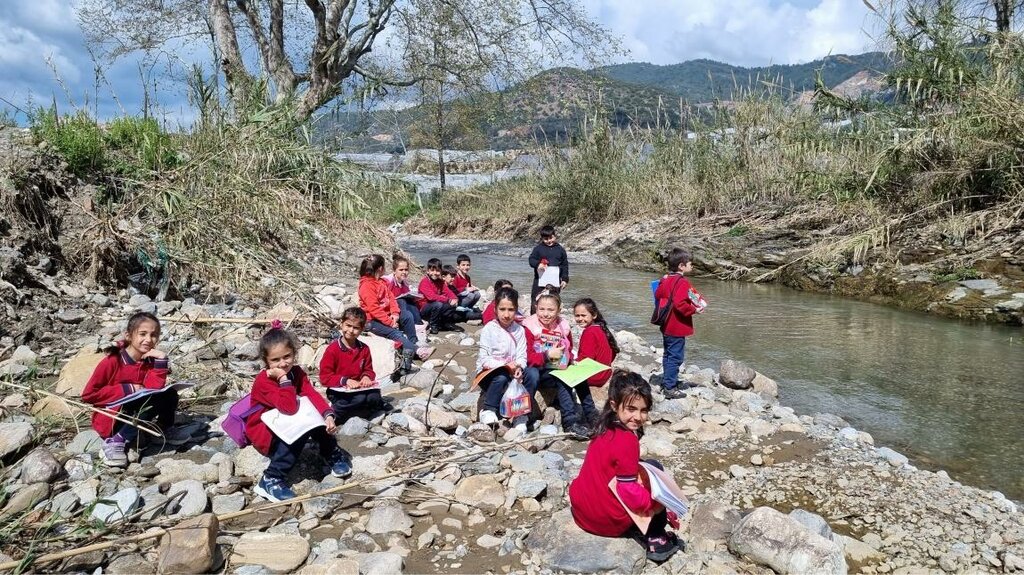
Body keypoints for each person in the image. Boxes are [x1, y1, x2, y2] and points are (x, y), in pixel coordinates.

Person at [568, 371, 683, 562]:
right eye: (631, 409)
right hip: (606, 522)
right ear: (615, 405)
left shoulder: (603, 427)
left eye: (643, 410)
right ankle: (656, 538)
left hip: (582, 513)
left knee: (645, 466)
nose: (638, 417)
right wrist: (656, 505)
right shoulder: (628, 440)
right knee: (656, 475)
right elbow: (627, 490)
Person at [246, 322, 351, 502]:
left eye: (287, 356)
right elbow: (288, 406)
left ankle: (330, 451)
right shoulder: (264, 381)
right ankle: (271, 478)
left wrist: (327, 415)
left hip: (284, 420)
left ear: (294, 353)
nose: (283, 363)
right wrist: (283, 379)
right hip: (265, 430)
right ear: (266, 361)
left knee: (317, 418)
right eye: (276, 360)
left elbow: (310, 394)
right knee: (298, 433)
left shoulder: (296, 372)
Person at [82, 311, 178, 467]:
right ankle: (116, 441)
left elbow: (154, 389)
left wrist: (161, 360)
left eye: (154, 335)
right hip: (113, 417)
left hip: (136, 412)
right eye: (142, 334)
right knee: (150, 400)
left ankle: (161, 429)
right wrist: (127, 389)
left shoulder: (149, 360)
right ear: (128, 335)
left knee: (169, 394)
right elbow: (89, 395)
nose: (149, 339)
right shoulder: (113, 361)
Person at [523, 291, 588, 439]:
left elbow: (569, 348)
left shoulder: (563, 326)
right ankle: (524, 415)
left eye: (551, 310)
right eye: (542, 309)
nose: (546, 314)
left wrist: (568, 358)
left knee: (563, 375)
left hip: (552, 370)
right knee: (532, 374)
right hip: (533, 369)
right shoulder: (529, 326)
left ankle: (570, 421)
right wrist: (546, 355)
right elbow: (527, 357)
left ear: (558, 310)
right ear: (535, 308)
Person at [475, 288, 539, 431]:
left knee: (533, 374)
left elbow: (522, 356)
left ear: (516, 310)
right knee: (501, 376)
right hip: (490, 373)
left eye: (511, 310)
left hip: (513, 371)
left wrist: (519, 367)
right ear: (495, 310)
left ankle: (520, 413)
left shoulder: (519, 330)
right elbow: (484, 360)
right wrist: (505, 365)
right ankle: (489, 409)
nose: (506, 314)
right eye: (502, 309)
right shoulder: (489, 329)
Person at [358, 254, 432, 375]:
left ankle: (413, 342)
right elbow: (373, 309)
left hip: (387, 315)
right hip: (371, 320)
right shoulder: (366, 285)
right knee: (394, 333)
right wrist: (389, 322)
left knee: (407, 317)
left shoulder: (382, 282)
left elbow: (391, 298)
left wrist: (395, 313)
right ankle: (417, 351)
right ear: (380, 268)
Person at [320, 307, 390, 423]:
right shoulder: (332, 350)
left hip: (358, 388)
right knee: (359, 399)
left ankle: (357, 413)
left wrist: (366, 377)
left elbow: (368, 369)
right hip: (338, 390)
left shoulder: (364, 349)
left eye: (356, 328)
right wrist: (345, 381)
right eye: (348, 325)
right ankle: (335, 414)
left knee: (374, 396)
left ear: (362, 329)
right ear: (341, 324)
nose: (351, 330)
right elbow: (325, 377)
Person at [654, 248, 703, 399]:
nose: (692, 266)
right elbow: (680, 304)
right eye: (690, 263)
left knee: (668, 354)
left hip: (666, 324)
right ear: (681, 266)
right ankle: (670, 388)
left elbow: (658, 294)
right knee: (676, 357)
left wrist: (662, 281)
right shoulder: (682, 282)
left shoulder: (666, 279)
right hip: (676, 326)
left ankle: (668, 381)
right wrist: (694, 309)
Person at [572, 298, 619, 428]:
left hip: (596, 375)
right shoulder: (601, 328)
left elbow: (585, 360)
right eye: (577, 316)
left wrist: (571, 362)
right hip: (605, 372)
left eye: (583, 315)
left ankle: (574, 413)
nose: (580, 319)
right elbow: (613, 352)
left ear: (594, 315)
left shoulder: (589, 332)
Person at [382, 254, 426, 341]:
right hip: (392, 310)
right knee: (402, 301)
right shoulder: (388, 281)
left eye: (406, 270)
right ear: (394, 271)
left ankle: (418, 323)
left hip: (401, 310)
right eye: (401, 270)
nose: (404, 272)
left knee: (411, 301)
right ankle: (417, 325)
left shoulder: (404, 283)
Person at [527, 225, 569, 313]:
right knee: (536, 300)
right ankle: (533, 317)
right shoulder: (538, 249)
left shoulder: (560, 250)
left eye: (551, 238)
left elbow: (564, 265)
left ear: (555, 236)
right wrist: (538, 264)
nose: (549, 241)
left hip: (555, 281)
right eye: (546, 239)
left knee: (554, 300)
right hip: (539, 281)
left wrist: (565, 279)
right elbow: (531, 260)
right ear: (542, 238)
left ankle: (553, 317)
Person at [417, 258, 462, 334]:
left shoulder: (440, 282)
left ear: (441, 271)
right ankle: (433, 326)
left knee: (452, 304)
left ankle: (444, 323)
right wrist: (448, 300)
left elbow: (448, 292)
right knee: (438, 304)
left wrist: (455, 298)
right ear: (428, 271)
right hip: (424, 308)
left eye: (437, 271)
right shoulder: (424, 282)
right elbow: (431, 297)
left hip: (435, 306)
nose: (435, 273)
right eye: (432, 270)